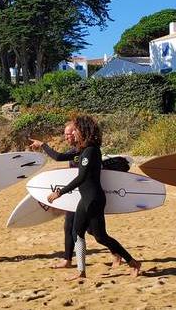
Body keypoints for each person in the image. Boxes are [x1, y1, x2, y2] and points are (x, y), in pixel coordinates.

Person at [46, 115, 142, 280]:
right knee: (77, 232)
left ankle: (133, 262)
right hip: (86, 199)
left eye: (75, 130)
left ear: (83, 131)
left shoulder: (90, 151)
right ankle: (81, 271)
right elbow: (59, 157)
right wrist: (43, 146)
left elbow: (81, 178)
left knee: (100, 236)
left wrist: (59, 193)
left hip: (94, 199)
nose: (73, 133)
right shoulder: (82, 150)